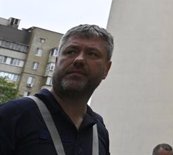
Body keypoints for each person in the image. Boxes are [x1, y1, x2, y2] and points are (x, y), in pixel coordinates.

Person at [0, 24, 113, 155]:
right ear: (56, 61)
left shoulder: (98, 130)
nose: (79, 59)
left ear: (106, 69)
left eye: (92, 54)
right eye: (71, 51)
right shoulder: (12, 116)